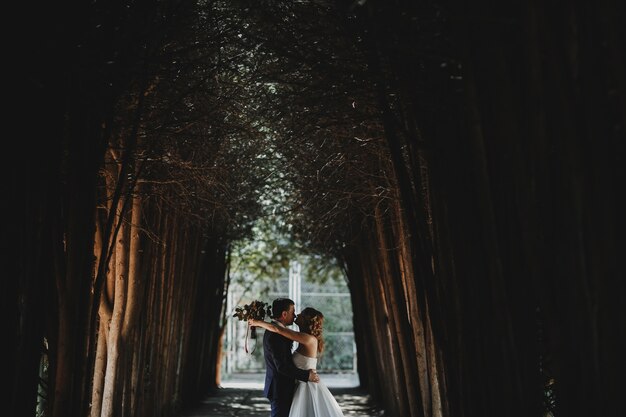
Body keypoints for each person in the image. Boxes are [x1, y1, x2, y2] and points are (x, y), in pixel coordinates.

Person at [250, 306, 345, 417]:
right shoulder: (304, 337)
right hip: (299, 385)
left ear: (305, 319)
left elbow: (278, 329)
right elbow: (279, 330)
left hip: (306, 387)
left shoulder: (308, 339)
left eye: (301, 314)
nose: (297, 315)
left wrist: (257, 322)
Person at [258, 298, 320, 417]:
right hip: (280, 389)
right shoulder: (276, 335)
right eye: (293, 312)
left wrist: (258, 323)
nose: (295, 315)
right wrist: (307, 375)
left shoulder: (282, 332)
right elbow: (282, 366)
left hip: (285, 388)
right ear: (284, 314)